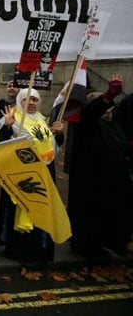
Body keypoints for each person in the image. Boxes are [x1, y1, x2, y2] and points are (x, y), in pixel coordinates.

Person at [0, 88, 65, 267]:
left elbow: (51, 145)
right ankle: (21, 250)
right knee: (25, 209)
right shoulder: (10, 118)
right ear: (20, 101)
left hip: (45, 172)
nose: (32, 103)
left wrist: (59, 134)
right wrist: (8, 127)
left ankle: (40, 249)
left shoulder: (42, 119)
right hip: (22, 174)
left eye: (35, 99)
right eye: (27, 99)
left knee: (42, 210)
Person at [68, 75, 133, 264]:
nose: (109, 108)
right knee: (89, 219)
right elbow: (90, 113)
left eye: (110, 106)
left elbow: (122, 146)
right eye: (105, 105)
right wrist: (106, 96)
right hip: (90, 183)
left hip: (110, 182)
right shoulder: (86, 124)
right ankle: (86, 247)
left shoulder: (111, 125)